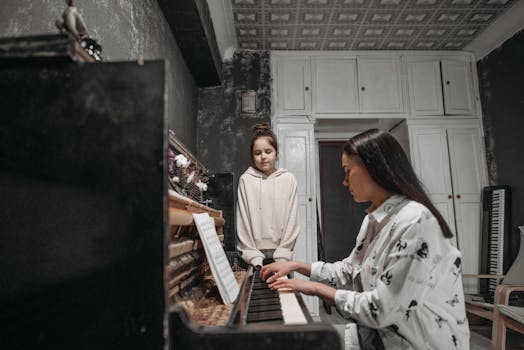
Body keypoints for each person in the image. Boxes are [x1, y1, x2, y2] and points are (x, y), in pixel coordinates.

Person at [261, 128, 470, 349]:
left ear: (374, 168)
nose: (344, 182)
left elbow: (381, 310)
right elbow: (352, 272)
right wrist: (297, 266)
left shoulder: (416, 221)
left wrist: (313, 288)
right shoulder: (374, 219)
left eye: (347, 171)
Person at [236, 123, 300, 268]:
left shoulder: (288, 179)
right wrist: (254, 258)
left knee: (285, 289)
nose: (263, 157)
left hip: (282, 256)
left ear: (277, 154)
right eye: (257, 153)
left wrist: (283, 255)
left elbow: (292, 220)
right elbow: (243, 221)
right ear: (252, 157)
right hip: (253, 257)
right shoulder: (246, 180)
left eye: (268, 151)